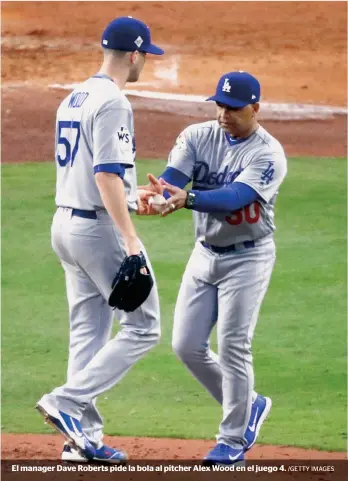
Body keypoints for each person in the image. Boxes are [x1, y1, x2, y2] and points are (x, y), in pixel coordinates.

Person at [35, 17, 164, 464]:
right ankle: (66, 402)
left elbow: (98, 173)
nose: (145, 63)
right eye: (146, 55)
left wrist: (131, 196)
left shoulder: (73, 98)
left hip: (65, 225)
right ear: (134, 55)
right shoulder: (113, 102)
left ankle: (81, 441)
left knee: (88, 333)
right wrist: (130, 239)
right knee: (145, 326)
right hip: (97, 229)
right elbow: (105, 172)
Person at [144, 71, 287, 465]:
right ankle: (249, 405)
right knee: (186, 346)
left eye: (233, 108)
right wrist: (157, 195)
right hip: (205, 252)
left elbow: (233, 198)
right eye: (220, 105)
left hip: (249, 256)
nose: (223, 113)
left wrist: (184, 200)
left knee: (234, 344)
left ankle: (232, 439)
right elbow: (172, 181)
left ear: (255, 108)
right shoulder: (196, 136)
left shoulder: (268, 153)